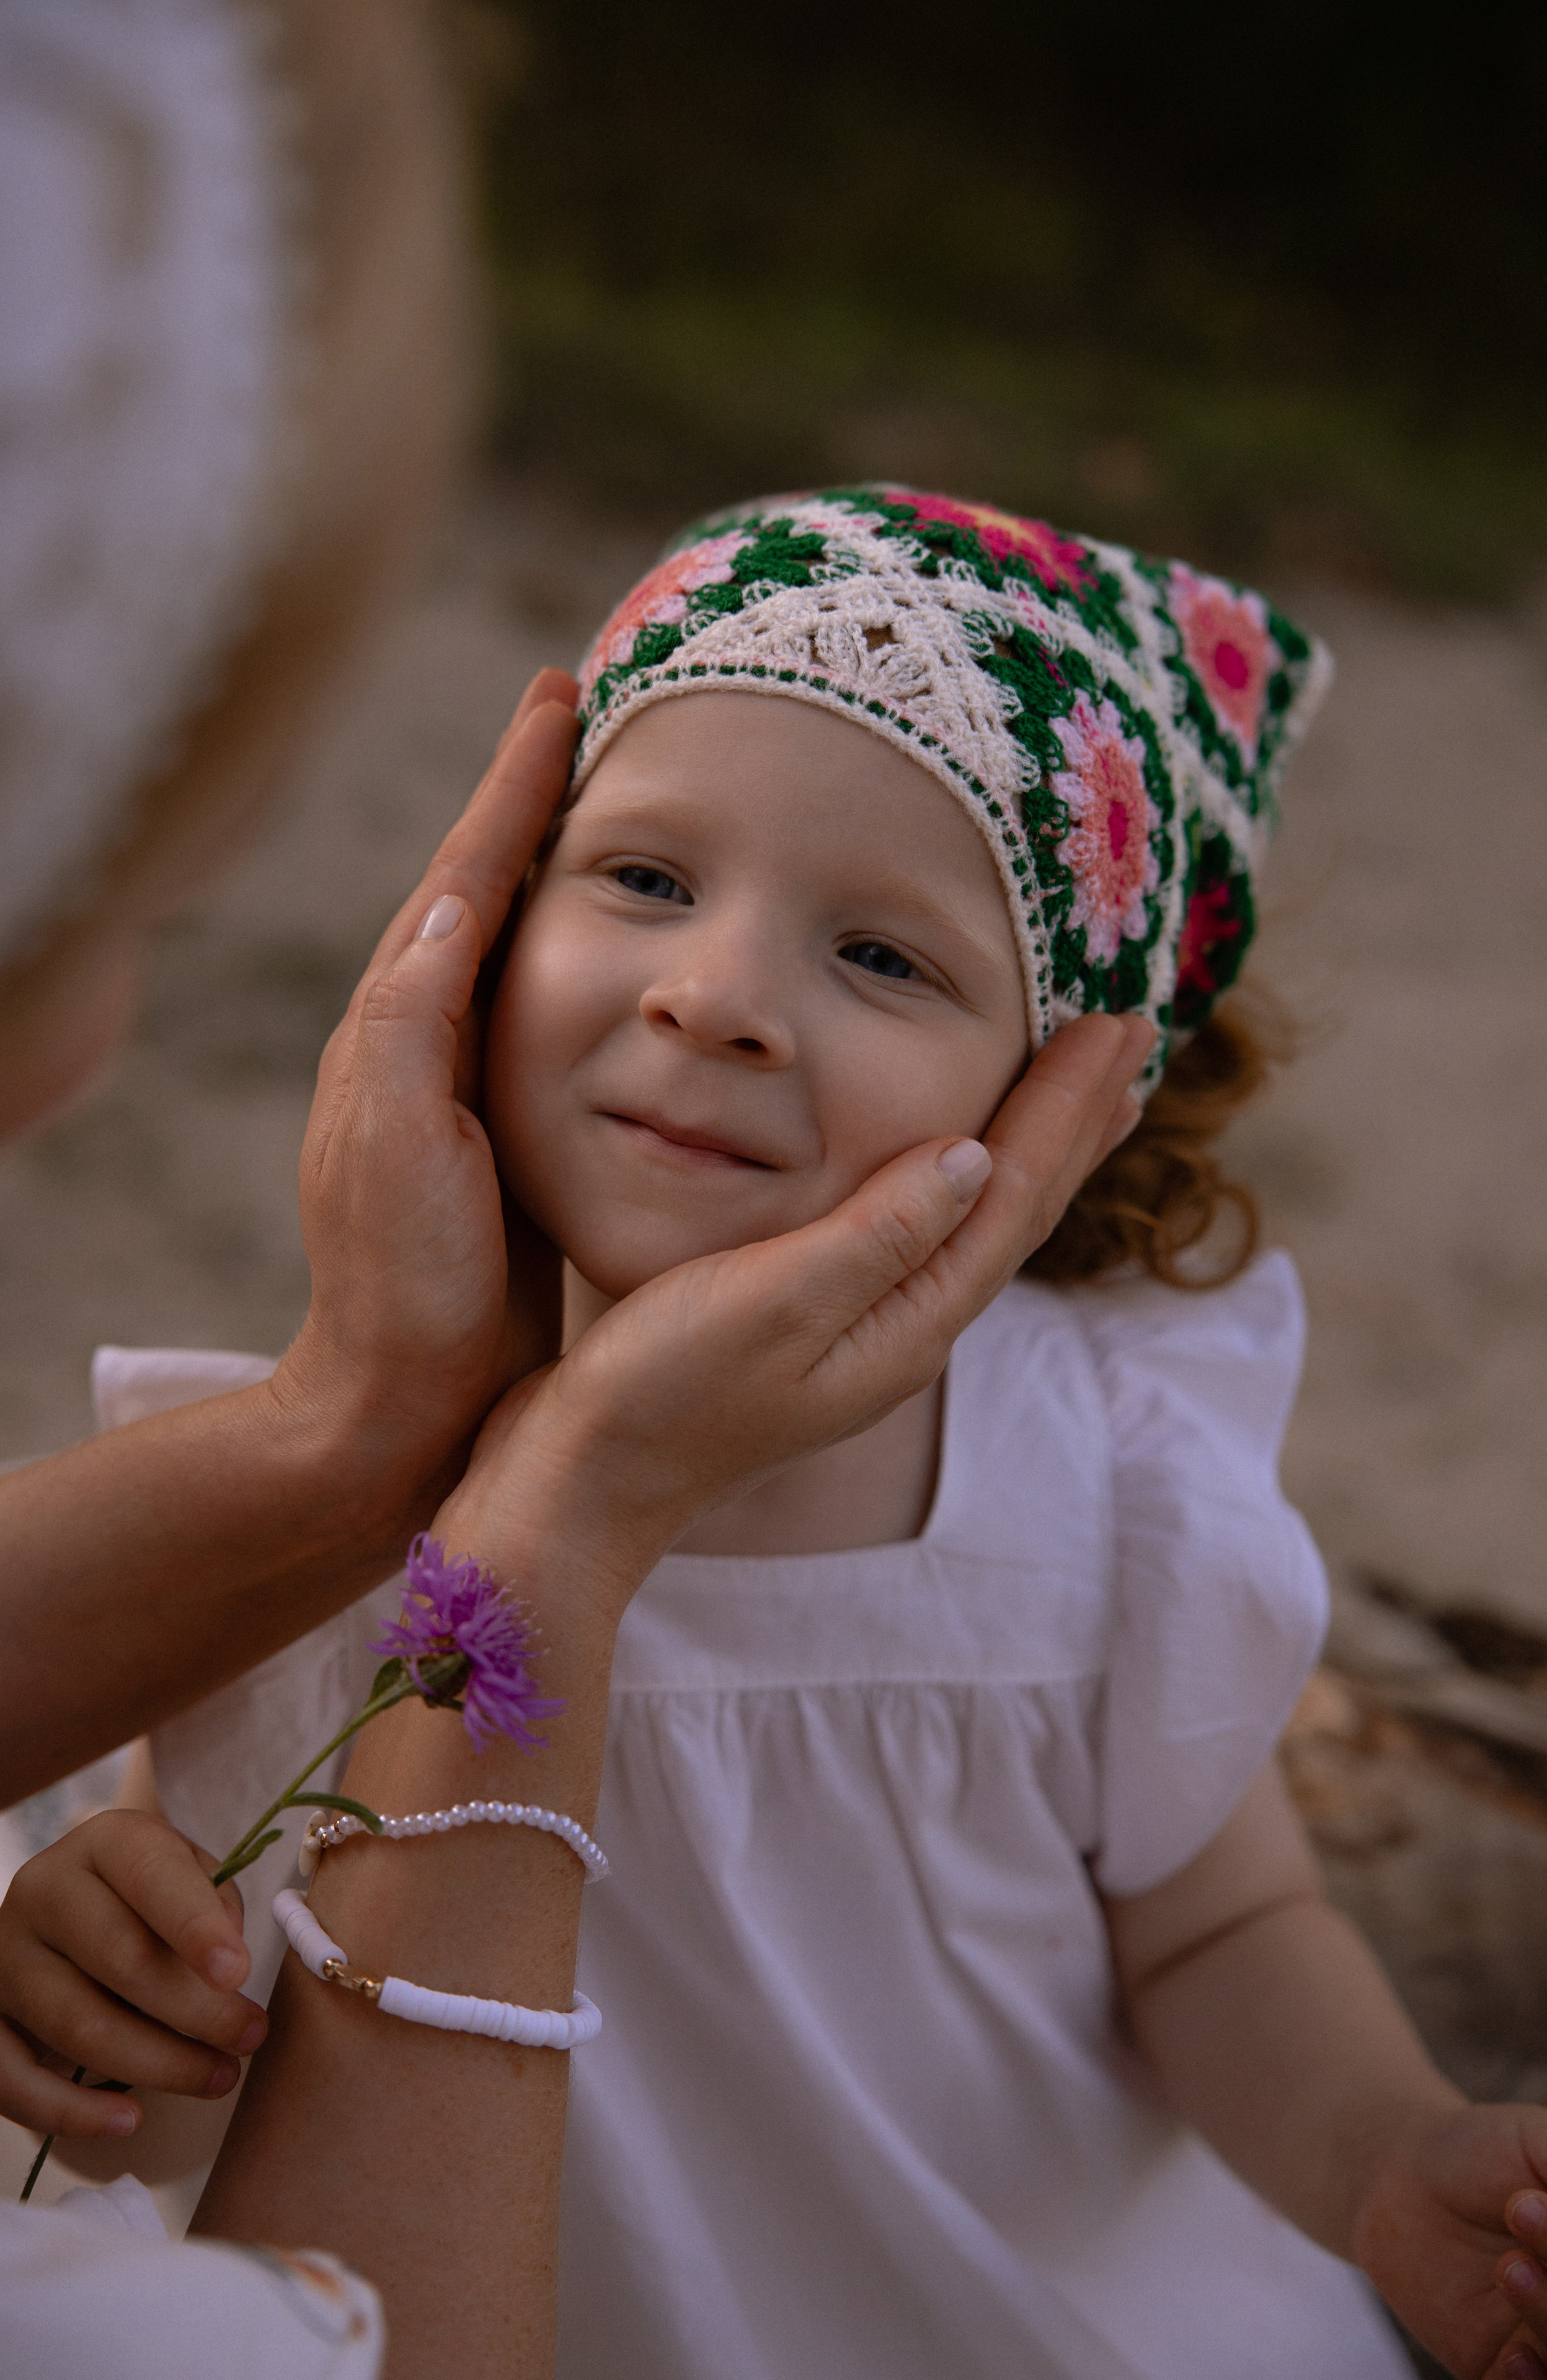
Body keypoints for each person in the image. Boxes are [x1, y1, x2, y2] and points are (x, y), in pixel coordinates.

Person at [76, 487, 1547, 2380]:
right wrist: (105, 2011)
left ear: (1058, 1111)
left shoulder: (1088, 1475)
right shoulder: (324, 1506)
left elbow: (1220, 1930)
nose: (718, 996)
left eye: (884, 959)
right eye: (644, 879)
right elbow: (191, 2118)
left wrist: (1383, 2154)